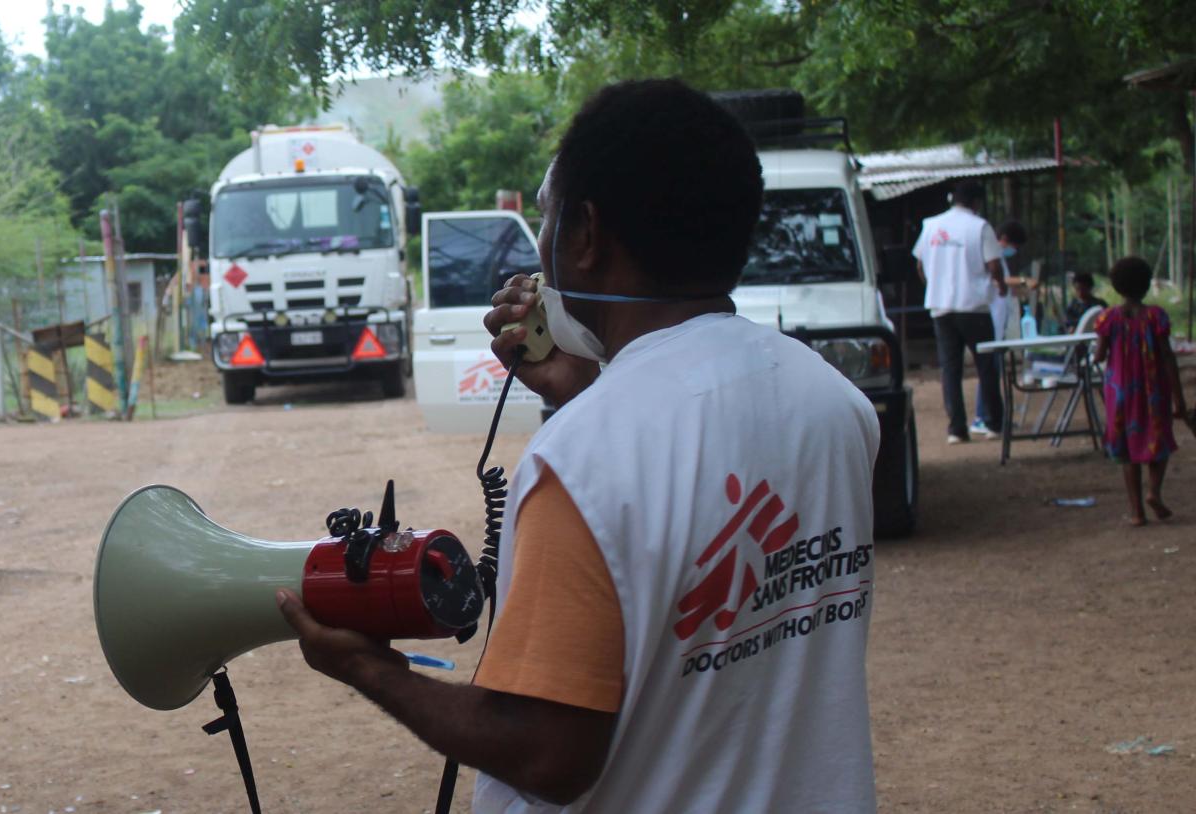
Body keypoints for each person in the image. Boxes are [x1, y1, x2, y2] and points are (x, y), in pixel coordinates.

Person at [275, 79, 879, 813]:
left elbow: (548, 754)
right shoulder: (834, 404)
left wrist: (372, 671)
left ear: (587, 236)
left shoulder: (588, 455)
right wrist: (581, 394)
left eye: (550, 220)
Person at [1092, 257, 1192, 526]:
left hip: (1120, 392)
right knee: (1158, 440)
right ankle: (1153, 492)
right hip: (1153, 389)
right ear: (1147, 285)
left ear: (1116, 286)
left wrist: (1097, 352)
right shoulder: (1156, 316)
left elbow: (1099, 356)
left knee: (1126, 450)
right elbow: (1168, 358)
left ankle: (1136, 512)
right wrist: (1179, 399)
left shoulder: (1108, 318)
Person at [915, 181, 1007, 444]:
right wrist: (999, 286)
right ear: (976, 202)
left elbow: (920, 265)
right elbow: (994, 264)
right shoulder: (979, 226)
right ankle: (993, 423)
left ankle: (956, 429)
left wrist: (935, 286)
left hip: (941, 308)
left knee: (950, 369)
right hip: (974, 306)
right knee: (986, 366)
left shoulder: (931, 225)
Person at [973, 221, 1027, 436]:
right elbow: (998, 280)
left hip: (997, 323)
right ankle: (983, 417)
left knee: (992, 373)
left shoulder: (998, 256)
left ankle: (992, 415)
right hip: (991, 323)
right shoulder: (990, 254)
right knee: (988, 373)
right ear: (1003, 238)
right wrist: (1023, 281)